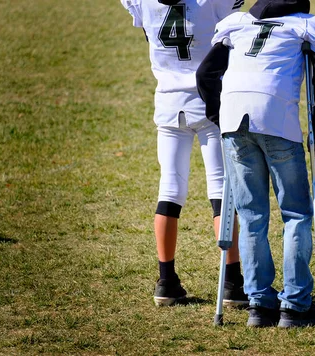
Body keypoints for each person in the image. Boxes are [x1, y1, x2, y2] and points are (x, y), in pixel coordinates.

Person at [197, 0, 315, 327]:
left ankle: (259, 306)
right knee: (295, 213)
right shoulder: (308, 25)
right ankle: (294, 306)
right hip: (277, 120)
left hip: (235, 122)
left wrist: (218, 117)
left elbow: (205, 73)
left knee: (251, 216)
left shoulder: (237, 24)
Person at [120, 0, 248, 307]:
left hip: (167, 101)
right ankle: (232, 280)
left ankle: (166, 279)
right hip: (210, 102)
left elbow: (149, 34)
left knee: (170, 188)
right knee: (220, 191)